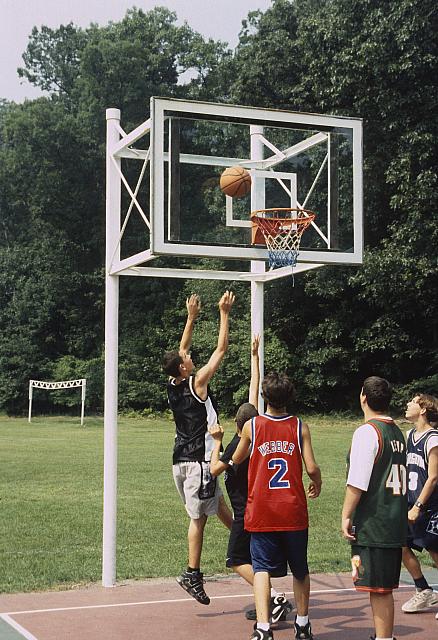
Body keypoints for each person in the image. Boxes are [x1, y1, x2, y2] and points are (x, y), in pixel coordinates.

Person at [209, 336, 293, 624]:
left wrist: (216, 442)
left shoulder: (236, 444)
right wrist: (255, 357)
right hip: (261, 506)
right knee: (256, 560)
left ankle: (274, 597)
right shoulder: (258, 430)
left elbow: (214, 470)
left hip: (246, 511)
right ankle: (269, 600)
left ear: (236, 422)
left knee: (236, 560)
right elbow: (254, 388)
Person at [232, 371, 322, 640]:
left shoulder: (252, 426)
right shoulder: (299, 426)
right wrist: (317, 482)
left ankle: (263, 627)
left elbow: (237, 457)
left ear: (264, 397)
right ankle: (302, 624)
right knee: (300, 569)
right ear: (290, 396)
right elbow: (311, 467)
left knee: (261, 569)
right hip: (292, 510)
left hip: (262, 510)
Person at [162, 291, 235, 605]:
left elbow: (182, 348)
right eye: (187, 359)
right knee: (199, 519)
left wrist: (191, 317)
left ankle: (244, 538)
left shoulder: (173, 384)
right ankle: (192, 573)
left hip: (180, 460)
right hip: (199, 461)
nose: (190, 356)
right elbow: (221, 350)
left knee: (216, 504)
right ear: (183, 368)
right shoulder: (198, 382)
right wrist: (224, 313)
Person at [341, 376, 408, 640]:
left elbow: (357, 481)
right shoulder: (397, 432)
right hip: (393, 518)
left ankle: (383, 638)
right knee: (383, 589)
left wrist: (346, 515)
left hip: (375, 520)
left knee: (378, 589)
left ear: (363, 397)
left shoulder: (368, 432)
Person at [401, 393, 438, 617]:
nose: (407, 404)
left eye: (413, 402)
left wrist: (418, 506)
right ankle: (423, 589)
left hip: (430, 506)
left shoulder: (433, 439)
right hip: (409, 503)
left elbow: (433, 477)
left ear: (423, 409)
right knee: (400, 545)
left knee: (435, 550)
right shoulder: (409, 436)